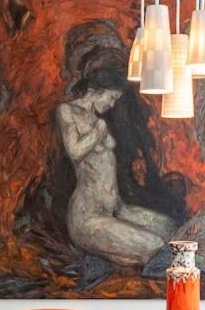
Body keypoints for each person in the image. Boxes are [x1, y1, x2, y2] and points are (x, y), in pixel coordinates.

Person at [56, 70, 174, 266]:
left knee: (169, 228)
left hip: (117, 209)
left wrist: (99, 126)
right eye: (111, 98)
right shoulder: (67, 111)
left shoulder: (95, 118)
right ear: (94, 91)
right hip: (88, 217)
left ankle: (111, 257)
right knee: (155, 245)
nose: (112, 105)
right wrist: (99, 130)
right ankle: (108, 256)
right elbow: (75, 152)